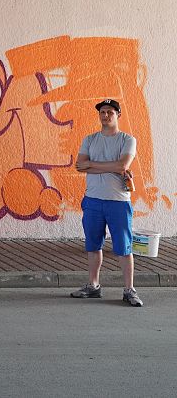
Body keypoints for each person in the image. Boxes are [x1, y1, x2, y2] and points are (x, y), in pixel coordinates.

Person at [71, 99, 142, 306]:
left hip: (118, 201)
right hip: (93, 200)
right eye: (102, 112)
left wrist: (92, 165)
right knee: (93, 245)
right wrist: (111, 167)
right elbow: (79, 166)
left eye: (110, 112)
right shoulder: (90, 139)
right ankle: (93, 286)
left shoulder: (127, 140)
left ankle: (129, 290)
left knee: (124, 247)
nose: (105, 115)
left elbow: (122, 165)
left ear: (118, 115)